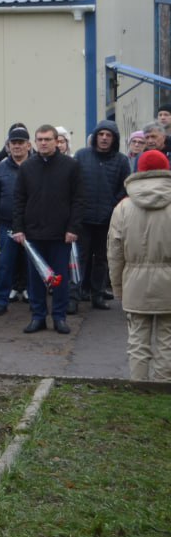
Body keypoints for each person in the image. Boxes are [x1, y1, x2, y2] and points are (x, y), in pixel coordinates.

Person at [12, 125, 83, 335]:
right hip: (33, 234)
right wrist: (18, 229)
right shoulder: (27, 167)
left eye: (48, 139)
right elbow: (19, 200)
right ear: (34, 142)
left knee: (59, 278)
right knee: (35, 280)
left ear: (56, 141)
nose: (43, 143)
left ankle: (59, 317)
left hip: (61, 234)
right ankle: (38, 317)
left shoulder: (71, 166)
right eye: (40, 139)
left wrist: (73, 228)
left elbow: (79, 200)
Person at [107, 149, 171, 381]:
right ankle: (164, 388)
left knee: (137, 340)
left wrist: (117, 287)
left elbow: (114, 252)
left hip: (135, 281)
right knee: (168, 341)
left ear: (139, 171)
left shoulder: (123, 207)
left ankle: (140, 388)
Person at [73, 120, 129, 311]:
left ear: (114, 139)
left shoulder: (121, 160)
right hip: (83, 218)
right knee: (79, 258)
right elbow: (73, 184)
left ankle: (98, 295)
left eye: (109, 135)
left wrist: (112, 206)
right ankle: (74, 295)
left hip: (108, 220)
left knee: (102, 259)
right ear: (95, 136)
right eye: (101, 134)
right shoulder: (81, 156)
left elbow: (125, 187)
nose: (104, 138)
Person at [0, 126, 32, 315]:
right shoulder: (1, 168)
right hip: (6, 224)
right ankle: (0, 301)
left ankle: (36, 301)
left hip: (32, 225)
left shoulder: (36, 166)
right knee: (5, 264)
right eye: (14, 143)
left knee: (33, 265)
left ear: (28, 145)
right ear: (8, 145)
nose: (17, 146)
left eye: (21, 143)